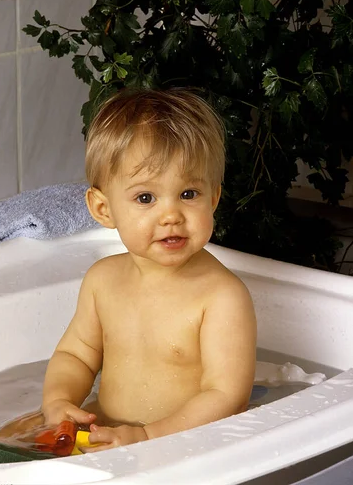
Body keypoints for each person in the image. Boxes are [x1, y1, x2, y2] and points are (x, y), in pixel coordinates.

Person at [42, 88, 257, 452]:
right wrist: (58, 402)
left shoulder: (221, 296)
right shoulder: (102, 281)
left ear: (214, 198)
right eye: (146, 198)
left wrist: (148, 437)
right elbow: (75, 356)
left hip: (185, 448)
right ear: (103, 209)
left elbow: (227, 396)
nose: (171, 215)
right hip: (111, 437)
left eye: (189, 194)